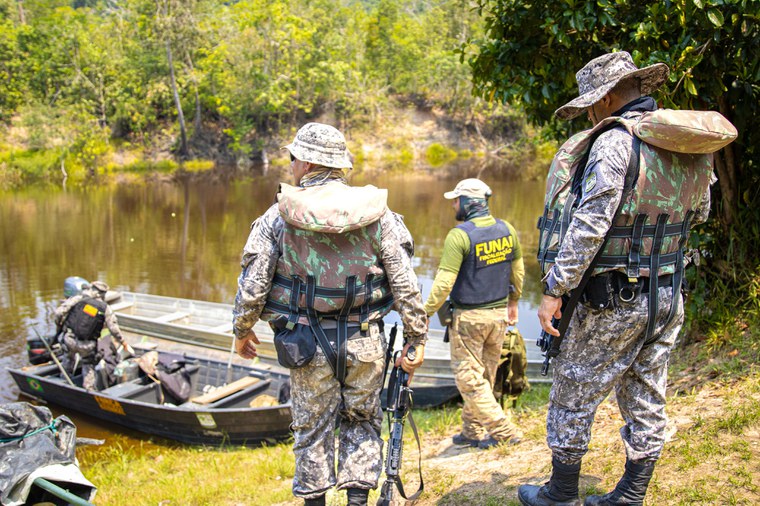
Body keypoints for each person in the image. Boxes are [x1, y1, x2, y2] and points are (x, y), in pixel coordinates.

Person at [518, 51, 715, 506]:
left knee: (573, 388)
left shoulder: (614, 142)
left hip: (616, 298)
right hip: (667, 290)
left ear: (607, 97)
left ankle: (561, 493)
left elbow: (590, 224)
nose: (589, 112)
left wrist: (555, 288)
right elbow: (701, 210)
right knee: (647, 388)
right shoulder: (683, 140)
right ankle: (631, 493)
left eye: (591, 103)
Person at [232, 122, 427, 506]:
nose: (290, 166)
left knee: (311, 431)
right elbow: (406, 283)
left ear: (305, 162)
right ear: (338, 165)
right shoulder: (379, 213)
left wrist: (242, 329)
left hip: (305, 344)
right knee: (363, 423)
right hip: (365, 341)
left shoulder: (278, 215)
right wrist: (416, 337)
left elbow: (253, 283)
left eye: (292, 158)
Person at [423, 178, 524, 449]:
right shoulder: (507, 229)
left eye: (455, 200)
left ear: (467, 203)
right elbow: (518, 272)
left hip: (469, 319)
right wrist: (514, 301)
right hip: (497, 317)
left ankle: (503, 431)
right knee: (484, 377)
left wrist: (424, 312)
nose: (453, 204)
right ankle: (472, 430)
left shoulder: (460, 235)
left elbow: (444, 282)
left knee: (468, 379)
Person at [54, 280, 127, 390]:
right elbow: (114, 329)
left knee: (68, 359)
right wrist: (123, 342)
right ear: (103, 294)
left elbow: (58, 312)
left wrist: (60, 325)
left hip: (70, 339)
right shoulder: (105, 308)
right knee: (88, 365)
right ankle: (89, 389)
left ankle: (63, 383)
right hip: (87, 345)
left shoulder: (78, 298)